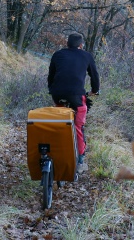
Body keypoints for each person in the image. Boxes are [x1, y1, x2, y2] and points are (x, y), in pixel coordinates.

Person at [47, 33, 100, 174]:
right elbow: (94, 76)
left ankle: (55, 150)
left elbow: (51, 75)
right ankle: (80, 160)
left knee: (59, 120)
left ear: (67, 44)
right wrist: (95, 90)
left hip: (57, 93)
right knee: (78, 125)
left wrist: (52, 90)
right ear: (81, 45)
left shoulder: (57, 54)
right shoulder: (86, 56)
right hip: (76, 95)